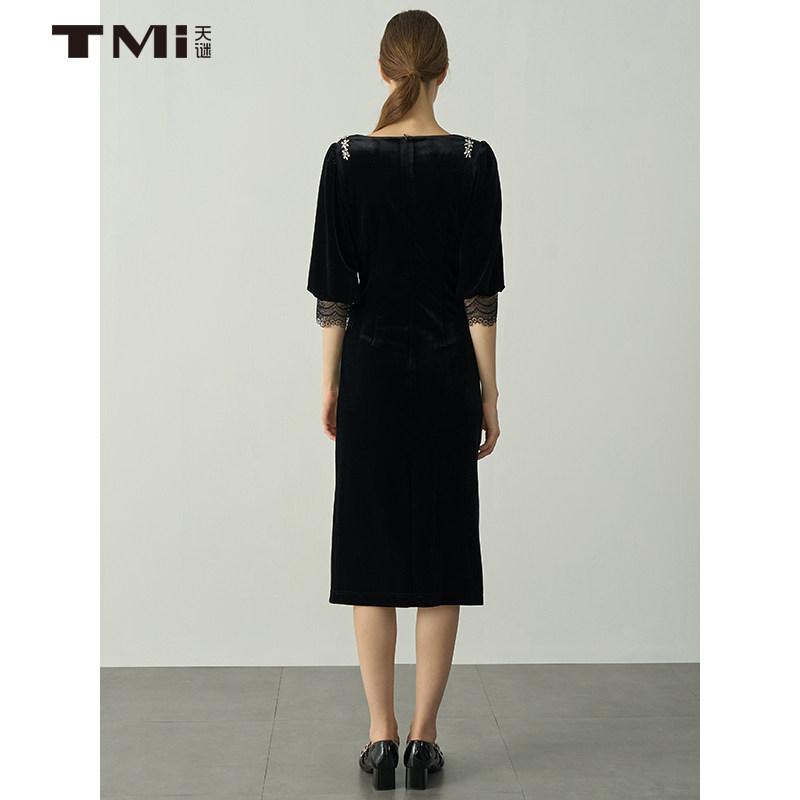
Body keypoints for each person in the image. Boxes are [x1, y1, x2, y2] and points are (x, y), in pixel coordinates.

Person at [306, 9, 505, 792]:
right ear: (442, 71)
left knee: (372, 553)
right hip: (447, 374)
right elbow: (479, 295)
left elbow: (335, 294)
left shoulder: (344, 159)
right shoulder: (474, 160)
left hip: (373, 376)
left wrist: (331, 383)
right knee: (441, 558)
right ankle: (425, 739)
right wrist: (489, 392)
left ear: (385, 71)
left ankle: (380, 737)